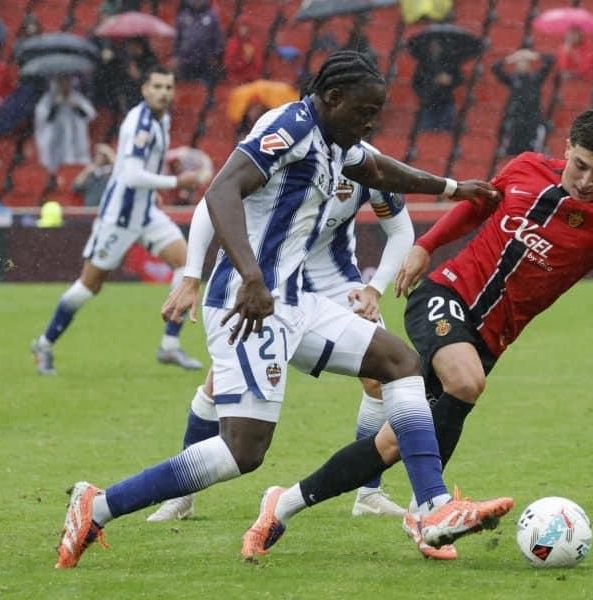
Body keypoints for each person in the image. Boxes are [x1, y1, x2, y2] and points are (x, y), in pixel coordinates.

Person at [54, 51, 513, 569]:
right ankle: (99, 505)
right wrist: (247, 275)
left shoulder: (336, 142)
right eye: (365, 111)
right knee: (242, 453)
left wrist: (453, 188)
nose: (370, 122)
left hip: (295, 301)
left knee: (400, 363)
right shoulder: (291, 125)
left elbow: (381, 169)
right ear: (333, 98)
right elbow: (223, 189)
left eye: (376, 113)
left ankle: (432, 507)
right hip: (246, 304)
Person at [245, 108, 593, 562]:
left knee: (393, 443)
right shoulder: (526, 168)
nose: (586, 180)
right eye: (580, 165)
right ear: (567, 149)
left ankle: (284, 503)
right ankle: (429, 512)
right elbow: (479, 205)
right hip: (444, 295)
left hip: (488, 342)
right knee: (466, 382)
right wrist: (425, 245)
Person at [146, 143, 416, 523]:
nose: (364, 125)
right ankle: (181, 497)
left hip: (336, 286)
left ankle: (368, 493)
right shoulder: (286, 145)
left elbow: (401, 230)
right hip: (271, 285)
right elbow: (215, 198)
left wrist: (375, 288)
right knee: (216, 385)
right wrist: (192, 274)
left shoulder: (367, 162)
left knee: (381, 379)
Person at [30, 66, 203, 377]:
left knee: (188, 265)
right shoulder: (141, 122)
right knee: (89, 286)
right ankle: (43, 344)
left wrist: (155, 192)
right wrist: (176, 182)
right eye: (158, 86)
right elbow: (132, 175)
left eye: (168, 87)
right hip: (119, 216)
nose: (164, 92)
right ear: (145, 90)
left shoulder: (161, 119)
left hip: (145, 211)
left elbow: (139, 170)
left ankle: (169, 346)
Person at [34, 75, 97, 185]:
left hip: (77, 142)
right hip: (55, 143)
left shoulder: (76, 97)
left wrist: (75, 106)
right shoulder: (48, 98)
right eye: (61, 82)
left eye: (66, 81)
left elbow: (91, 116)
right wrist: (55, 106)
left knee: (76, 172)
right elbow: (43, 120)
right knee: (56, 171)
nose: (64, 85)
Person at [492, 49, 555, 155]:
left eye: (525, 62)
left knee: (531, 151)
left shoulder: (535, 78)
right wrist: (511, 58)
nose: (522, 65)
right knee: (515, 151)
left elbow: (550, 61)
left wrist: (534, 55)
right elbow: (495, 68)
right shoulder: (513, 80)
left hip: (532, 120)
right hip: (517, 120)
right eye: (520, 63)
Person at [412, 38, 463, 131]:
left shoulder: (450, 62)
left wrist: (450, 79)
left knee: (444, 134)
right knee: (426, 134)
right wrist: (433, 81)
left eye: (438, 44)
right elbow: (416, 82)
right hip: (428, 103)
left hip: (445, 101)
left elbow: (459, 79)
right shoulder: (423, 63)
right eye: (433, 44)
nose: (435, 46)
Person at [172, 0, 224, 85]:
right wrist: (175, 55)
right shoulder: (183, 16)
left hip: (206, 61)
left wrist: (216, 55)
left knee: (205, 87)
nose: (197, 2)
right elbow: (177, 39)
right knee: (186, 88)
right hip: (186, 61)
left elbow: (218, 39)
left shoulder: (212, 16)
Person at [223, 18, 263, 85]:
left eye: (245, 27)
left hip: (251, 81)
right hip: (236, 80)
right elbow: (229, 64)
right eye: (241, 27)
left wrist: (251, 76)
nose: (243, 30)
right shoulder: (233, 43)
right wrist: (244, 61)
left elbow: (258, 64)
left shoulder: (254, 44)